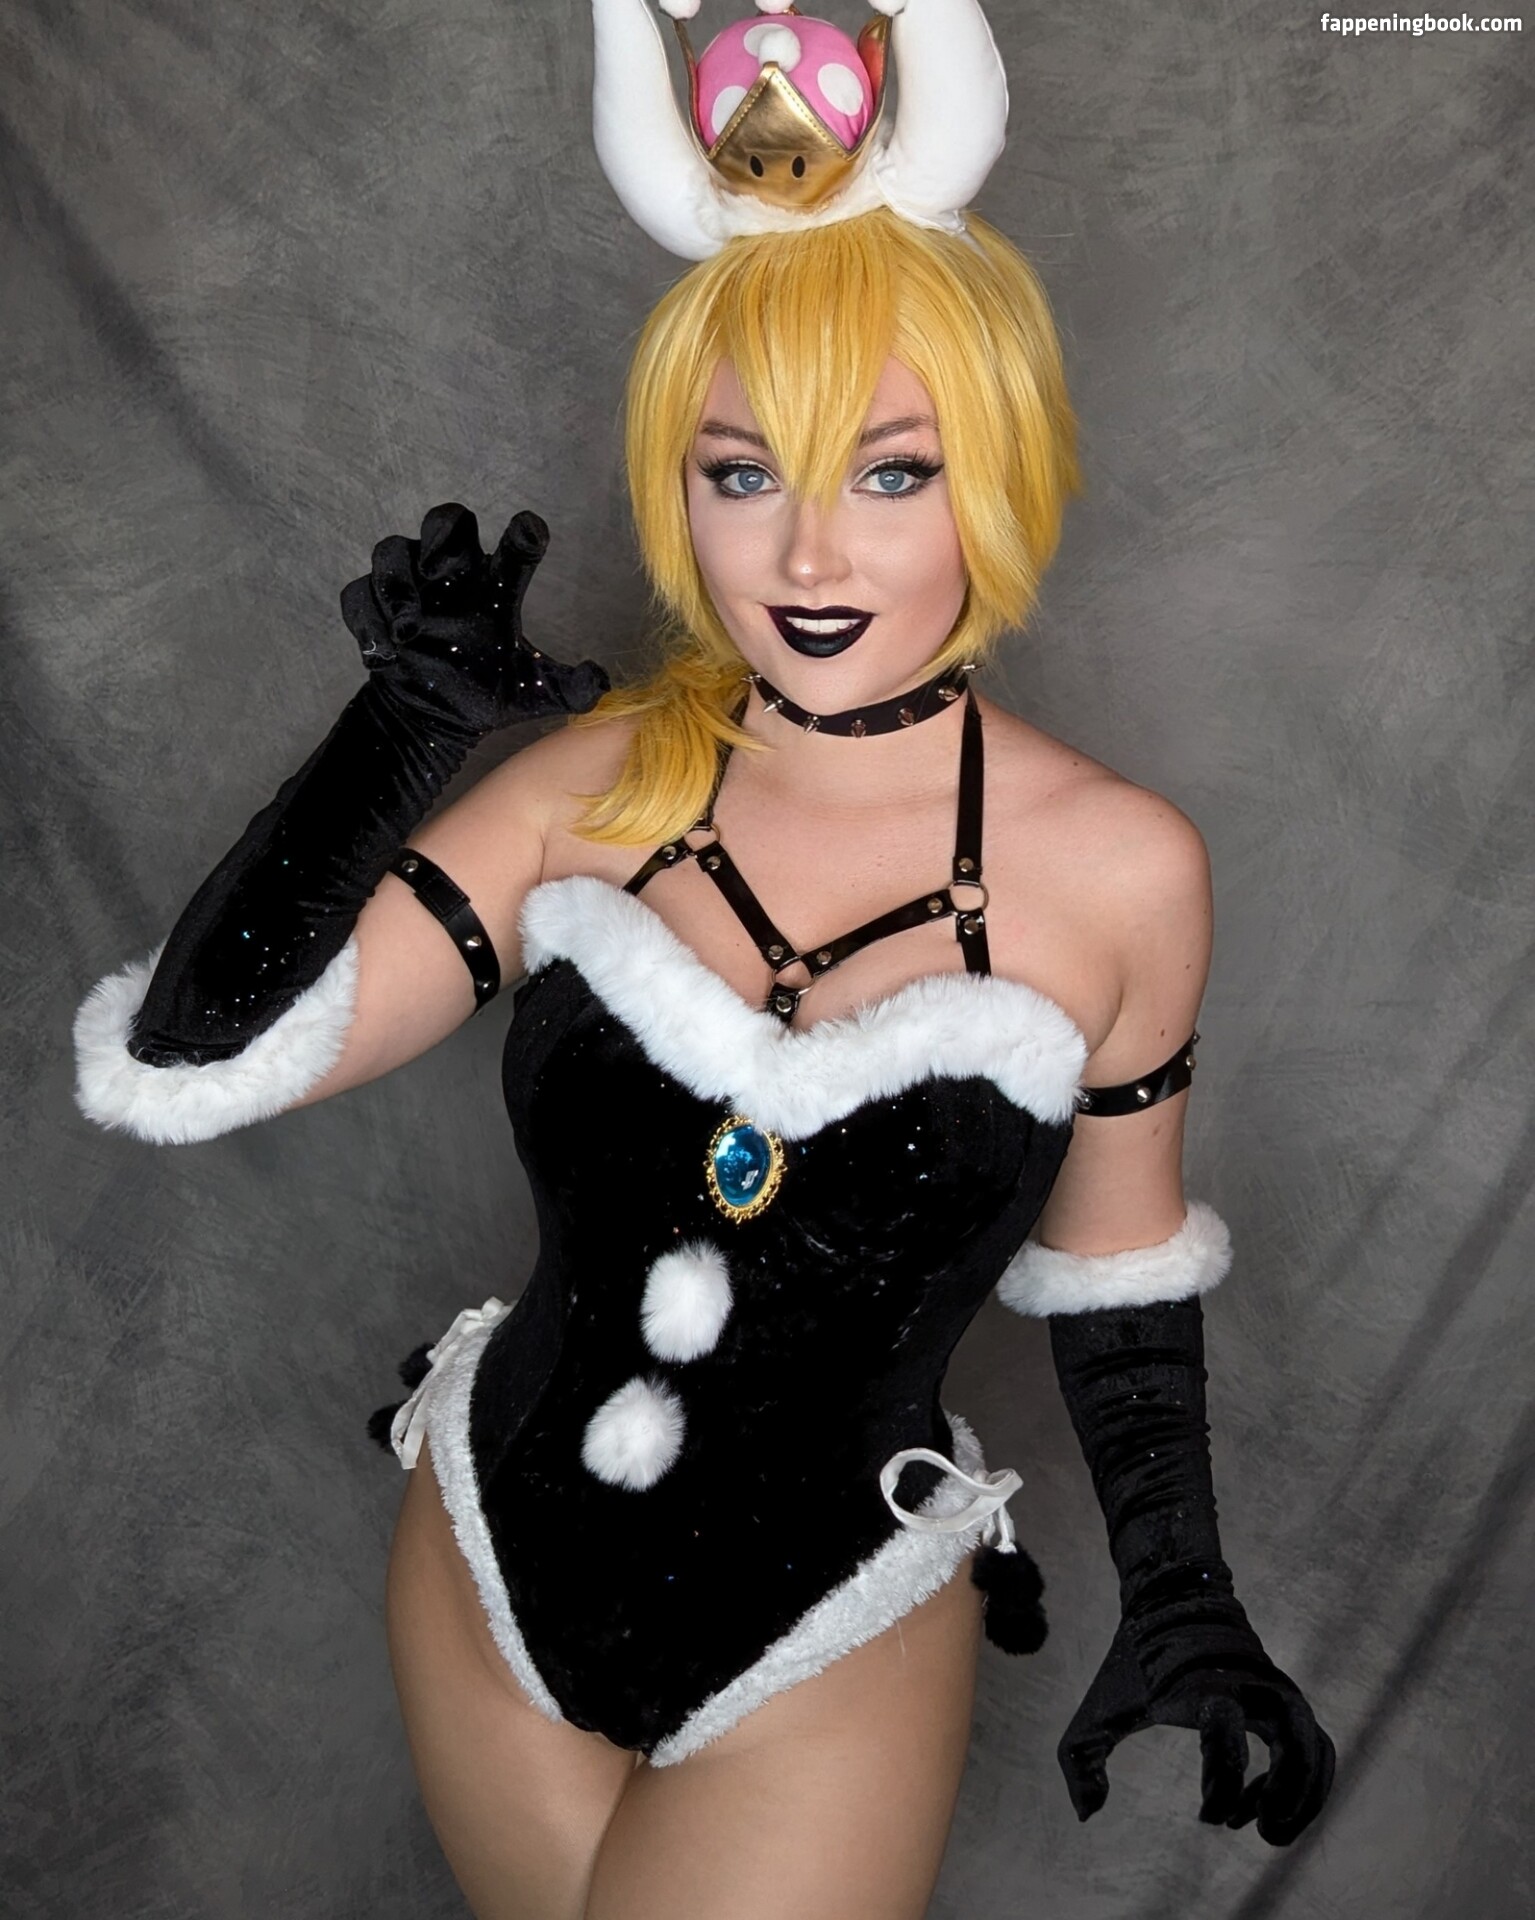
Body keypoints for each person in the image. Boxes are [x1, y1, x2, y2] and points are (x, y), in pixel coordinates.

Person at [72, 2, 1336, 1916]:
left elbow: (1115, 1265)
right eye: (743, 474)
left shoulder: (1120, 871)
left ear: (998, 471)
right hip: (488, 1563)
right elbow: (192, 1061)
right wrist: (396, 739)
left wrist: (1181, 1590)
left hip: (824, 1632)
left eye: (890, 473)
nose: (809, 557)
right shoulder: (592, 787)